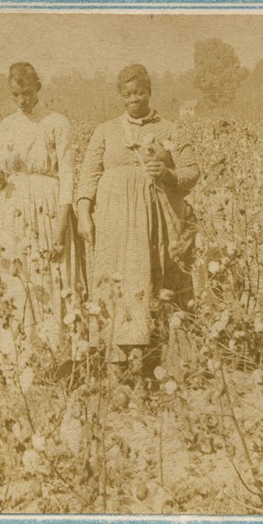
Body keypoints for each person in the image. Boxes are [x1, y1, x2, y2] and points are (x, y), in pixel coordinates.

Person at [75, 63, 199, 371]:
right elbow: (89, 174)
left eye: (139, 92)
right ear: (121, 96)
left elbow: (192, 172)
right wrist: (84, 212)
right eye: (128, 94)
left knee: (151, 280)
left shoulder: (169, 129)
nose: (134, 99)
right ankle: (115, 357)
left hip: (153, 225)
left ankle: (152, 356)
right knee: (114, 282)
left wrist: (167, 173)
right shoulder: (105, 130)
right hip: (113, 225)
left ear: (149, 92)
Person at [0, 62, 80, 368]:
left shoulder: (57, 123)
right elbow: (3, 172)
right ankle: (10, 355)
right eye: (16, 95)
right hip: (11, 207)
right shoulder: (7, 126)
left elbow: (67, 177)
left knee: (44, 274)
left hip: (47, 208)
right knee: (11, 273)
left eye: (27, 93)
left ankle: (50, 357)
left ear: (38, 88)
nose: (22, 100)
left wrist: (61, 228)